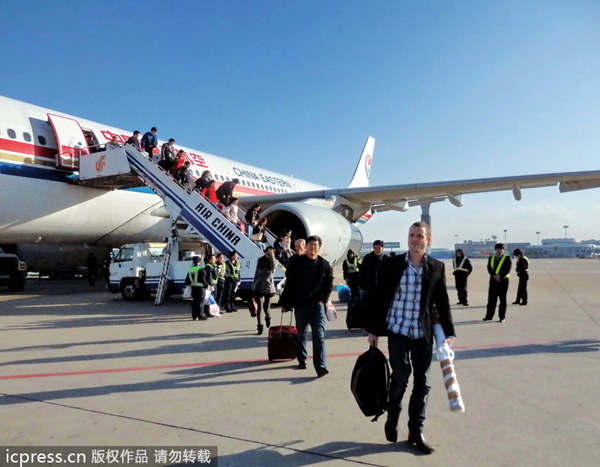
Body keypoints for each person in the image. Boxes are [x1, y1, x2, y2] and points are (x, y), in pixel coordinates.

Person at [364, 221, 455, 455]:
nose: (414, 239)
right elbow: (379, 297)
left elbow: (442, 302)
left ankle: (416, 430)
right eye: (411, 235)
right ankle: (393, 414)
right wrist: (373, 330)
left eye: (419, 236)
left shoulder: (436, 267)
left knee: (422, 384)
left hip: (422, 333)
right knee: (400, 378)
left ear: (428, 240)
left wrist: (448, 333)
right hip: (398, 331)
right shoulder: (393, 264)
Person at [279, 235, 334, 378]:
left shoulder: (325, 265)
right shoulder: (298, 263)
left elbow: (328, 284)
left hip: (317, 306)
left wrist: (324, 300)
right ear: (306, 246)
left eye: (315, 245)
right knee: (302, 333)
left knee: (319, 336)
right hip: (301, 305)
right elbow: (289, 281)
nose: (313, 247)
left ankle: (321, 367)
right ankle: (302, 358)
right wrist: (286, 303)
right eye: (310, 244)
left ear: (319, 248)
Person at [483, 243, 512, 322]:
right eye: (498, 249)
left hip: (503, 281)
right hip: (493, 281)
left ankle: (502, 317)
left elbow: (507, 269)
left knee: (502, 300)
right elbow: (489, 268)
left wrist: (500, 276)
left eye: (501, 249)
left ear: (503, 250)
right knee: (491, 300)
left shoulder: (507, 258)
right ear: (495, 250)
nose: (499, 251)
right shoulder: (491, 258)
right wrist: (494, 276)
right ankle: (489, 316)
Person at [252, 246, 276, 335]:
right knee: (259, 308)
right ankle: (259, 326)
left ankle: (268, 317)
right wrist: (253, 287)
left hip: (268, 287)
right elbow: (256, 274)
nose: (269, 253)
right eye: (268, 252)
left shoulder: (274, 260)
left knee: (267, 308)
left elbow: (273, 267)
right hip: (258, 286)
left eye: (271, 251)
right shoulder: (260, 260)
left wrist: (272, 256)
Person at [186, 256, 207, 320]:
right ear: (199, 262)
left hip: (193, 287)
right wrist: (206, 285)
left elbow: (187, 281)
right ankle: (200, 315)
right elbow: (204, 279)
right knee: (201, 301)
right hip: (200, 288)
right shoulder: (201, 269)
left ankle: (194, 315)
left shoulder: (190, 270)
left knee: (194, 301)